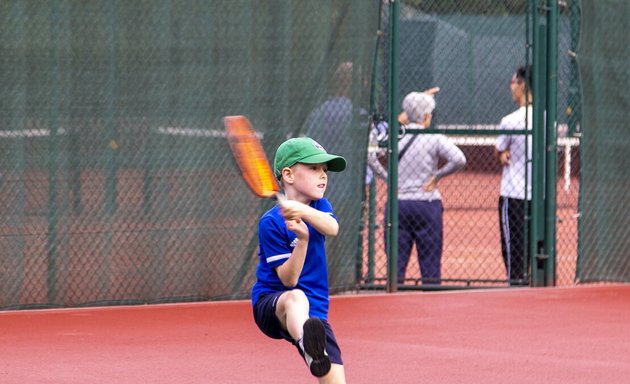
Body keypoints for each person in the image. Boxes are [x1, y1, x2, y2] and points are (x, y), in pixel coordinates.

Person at [251, 137, 348, 383]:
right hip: (273, 304)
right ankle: (308, 343)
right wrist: (302, 242)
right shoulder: (271, 222)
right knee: (297, 297)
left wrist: (303, 213)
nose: (323, 175)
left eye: (325, 170)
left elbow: (332, 228)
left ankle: (314, 349)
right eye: (314, 168)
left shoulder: (319, 206)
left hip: (314, 313)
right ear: (289, 175)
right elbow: (288, 279)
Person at [368, 89, 466, 285]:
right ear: (427, 116)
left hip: (399, 204)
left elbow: (371, 157)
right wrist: (437, 176)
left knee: (395, 267)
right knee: (430, 264)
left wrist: (389, 179)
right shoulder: (434, 138)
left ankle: (394, 296)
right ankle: (431, 292)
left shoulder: (394, 137)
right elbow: (459, 159)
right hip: (427, 204)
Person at [495, 65, 533, 286]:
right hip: (540, 197)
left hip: (514, 194)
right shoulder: (548, 119)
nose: (511, 88)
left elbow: (499, 150)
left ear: (523, 85)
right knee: (535, 251)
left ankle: (516, 287)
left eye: (513, 83)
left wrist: (502, 153)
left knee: (513, 255)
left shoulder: (510, 120)